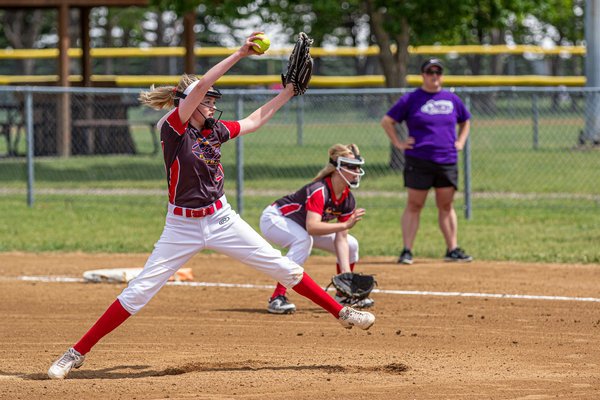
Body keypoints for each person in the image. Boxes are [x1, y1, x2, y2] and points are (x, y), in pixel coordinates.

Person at [47, 33, 375, 380]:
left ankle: (341, 313)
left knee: (284, 269)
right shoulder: (173, 129)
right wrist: (240, 53)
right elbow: (202, 84)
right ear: (189, 102)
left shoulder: (213, 131)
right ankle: (75, 353)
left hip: (221, 219)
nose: (212, 106)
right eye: (207, 102)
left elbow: (255, 120)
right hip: (181, 226)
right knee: (139, 291)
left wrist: (288, 92)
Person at [259, 143, 374, 314]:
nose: (357, 172)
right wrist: (344, 224)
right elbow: (312, 227)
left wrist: (347, 276)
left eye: (358, 167)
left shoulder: (348, 199)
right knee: (303, 240)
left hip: (300, 226)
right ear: (337, 168)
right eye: (352, 167)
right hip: (275, 219)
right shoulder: (320, 190)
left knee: (351, 244)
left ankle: (343, 295)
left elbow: (341, 239)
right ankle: (277, 298)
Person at [380, 58, 473, 265]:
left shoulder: (451, 99)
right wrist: (398, 142)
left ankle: (452, 249)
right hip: (419, 159)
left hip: (446, 159)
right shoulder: (412, 99)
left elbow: (466, 120)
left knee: (446, 205)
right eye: (430, 72)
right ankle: (407, 250)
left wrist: (460, 141)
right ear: (423, 75)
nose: (434, 76)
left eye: (437, 72)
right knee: (414, 204)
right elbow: (387, 121)